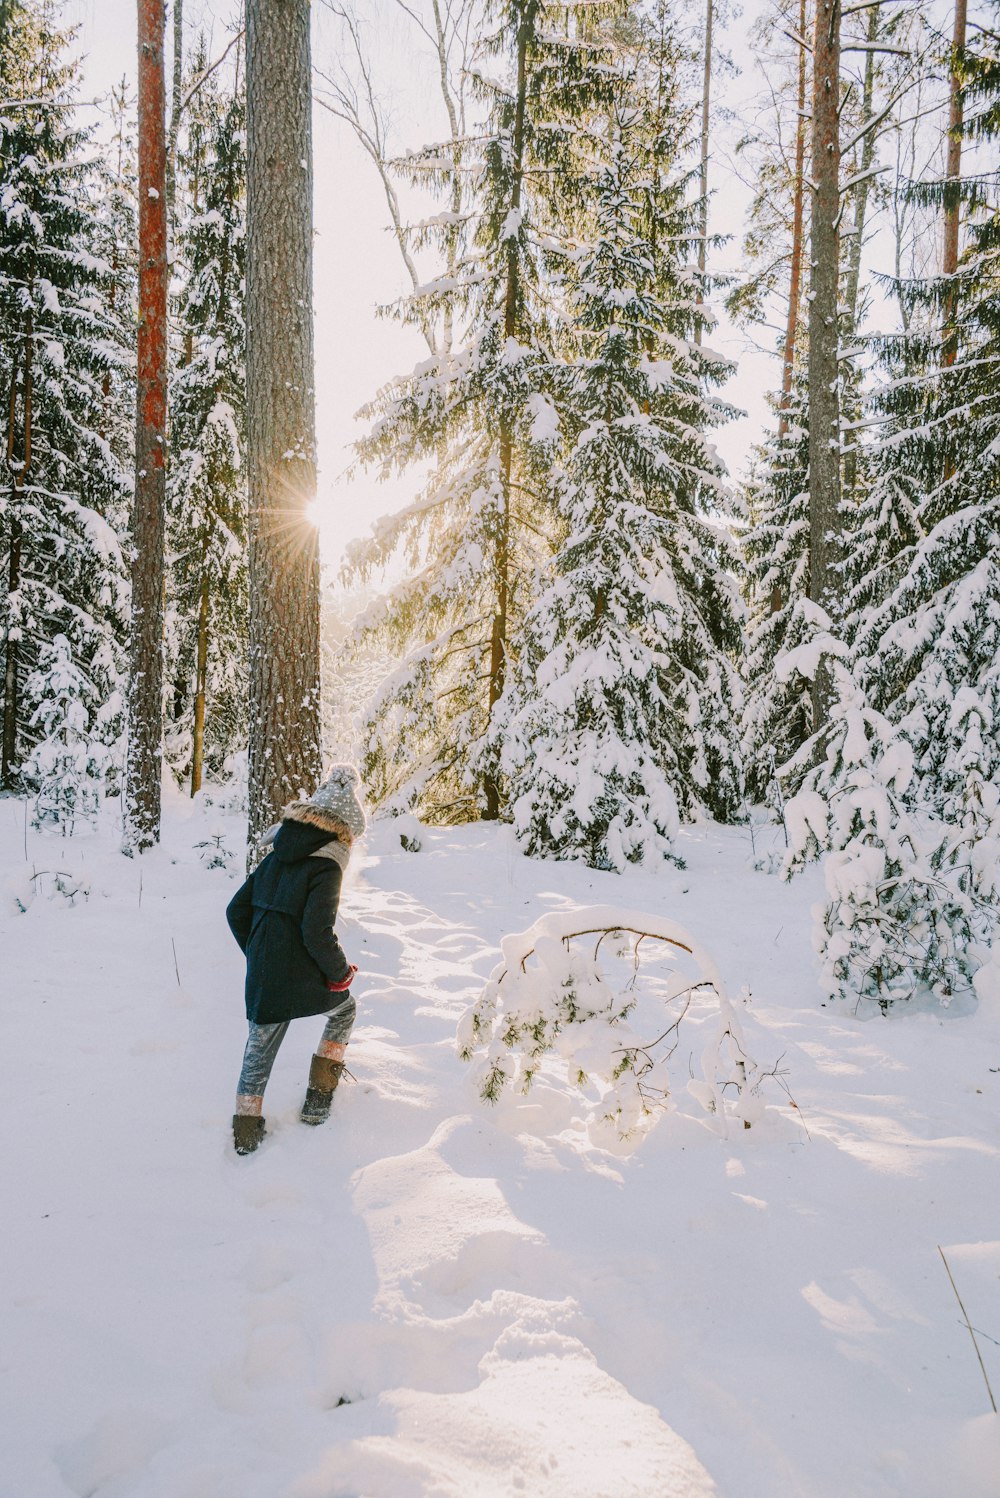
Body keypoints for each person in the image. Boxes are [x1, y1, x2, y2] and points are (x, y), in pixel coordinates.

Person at [225, 764, 366, 1155]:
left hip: (266, 973)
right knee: (344, 1010)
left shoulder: (275, 857)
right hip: (299, 973)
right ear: (342, 830)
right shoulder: (327, 864)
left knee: (259, 1048)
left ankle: (245, 1134)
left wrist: (257, 954)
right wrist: (340, 974)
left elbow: (236, 912)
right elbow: (316, 931)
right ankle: (318, 1103)